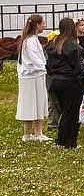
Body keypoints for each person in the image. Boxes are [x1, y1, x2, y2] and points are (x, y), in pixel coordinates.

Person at [45, 18, 84, 149]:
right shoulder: (73, 46)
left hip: (55, 81)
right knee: (73, 113)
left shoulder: (53, 44)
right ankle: (70, 142)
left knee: (65, 112)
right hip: (70, 82)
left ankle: (61, 140)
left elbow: (47, 65)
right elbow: (78, 67)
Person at [16, 14, 51, 142]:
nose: (44, 26)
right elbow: (34, 59)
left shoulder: (30, 39)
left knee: (35, 102)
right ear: (37, 25)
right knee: (32, 103)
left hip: (34, 75)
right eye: (43, 23)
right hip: (33, 75)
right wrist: (45, 67)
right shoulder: (30, 41)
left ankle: (36, 132)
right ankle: (31, 133)